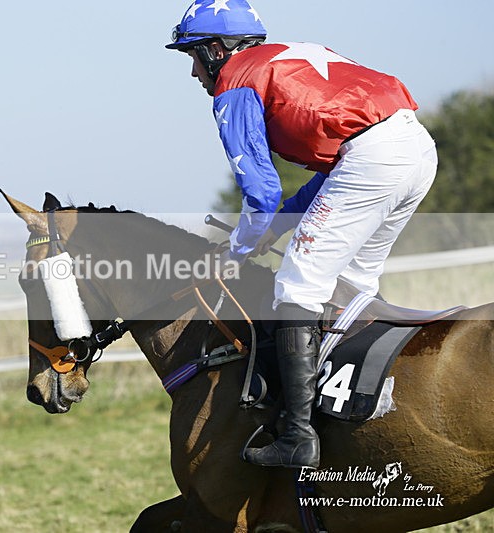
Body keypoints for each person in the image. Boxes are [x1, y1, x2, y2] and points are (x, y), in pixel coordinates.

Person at [167, 0, 437, 469]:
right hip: (415, 147)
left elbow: (261, 190)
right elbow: (338, 169)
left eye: (193, 56)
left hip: (373, 160)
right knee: (348, 286)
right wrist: (278, 226)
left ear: (215, 49)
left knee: (297, 284)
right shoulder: (290, 54)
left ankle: (298, 434)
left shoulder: (233, 82)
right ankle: (350, 405)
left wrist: (239, 250)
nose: (193, 73)